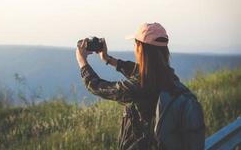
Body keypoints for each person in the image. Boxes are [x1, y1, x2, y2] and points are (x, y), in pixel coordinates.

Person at [75, 22, 205, 150]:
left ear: (140, 48)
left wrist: (82, 62)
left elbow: (97, 87)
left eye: (135, 44)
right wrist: (109, 59)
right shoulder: (171, 78)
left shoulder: (138, 87)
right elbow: (141, 71)